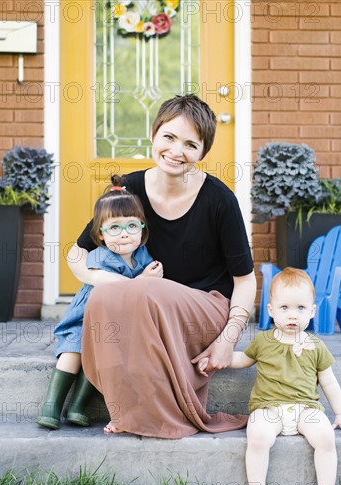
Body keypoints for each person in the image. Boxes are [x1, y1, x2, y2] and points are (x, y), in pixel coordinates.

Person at [67, 94, 257, 438]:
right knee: (106, 297)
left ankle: (154, 418)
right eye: (168, 137)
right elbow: (76, 253)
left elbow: (245, 281)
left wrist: (229, 339)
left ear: (202, 152)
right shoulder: (129, 188)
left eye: (190, 143)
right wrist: (108, 281)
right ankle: (123, 406)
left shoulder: (219, 200)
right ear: (154, 135)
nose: (175, 150)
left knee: (141, 288)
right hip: (146, 305)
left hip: (205, 308)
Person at [216, 267, 341, 485]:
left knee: (326, 438)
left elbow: (329, 382)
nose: (292, 315)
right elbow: (242, 360)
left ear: (312, 311)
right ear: (271, 310)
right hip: (268, 408)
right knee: (259, 437)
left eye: (300, 308)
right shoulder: (263, 341)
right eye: (284, 308)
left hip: (306, 408)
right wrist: (219, 358)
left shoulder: (316, 346)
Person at [37, 178, 163, 429]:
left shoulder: (142, 256)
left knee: (100, 358)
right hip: (85, 318)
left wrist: (149, 276)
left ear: (142, 228)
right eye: (114, 228)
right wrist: (143, 279)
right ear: (100, 235)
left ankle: (78, 405)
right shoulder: (100, 257)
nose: (124, 233)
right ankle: (51, 406)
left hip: (113, 326)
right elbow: (115, 288)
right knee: (74, 352)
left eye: (131, 226)